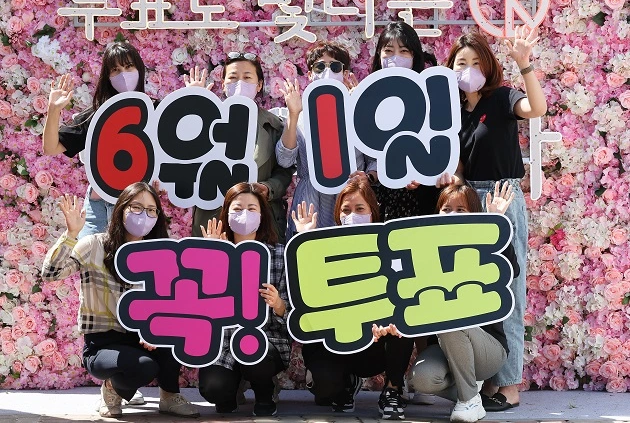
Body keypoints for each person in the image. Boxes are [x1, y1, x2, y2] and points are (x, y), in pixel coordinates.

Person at [444, 28, 547, 410]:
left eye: (476, 62)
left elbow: (536, 108)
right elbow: (458, 165)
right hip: (469, 201)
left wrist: (525, 64)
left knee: (509, 290)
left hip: (502, 196)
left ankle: (509, 386)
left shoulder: (503, 98)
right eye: (461, 63)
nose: (468, 69)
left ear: (488, 67)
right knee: (477, 292)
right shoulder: (452, 112)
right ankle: (489, 380)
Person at [42, 182, 199, 418]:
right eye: (136, 207)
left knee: (177, 332)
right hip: (103, 343)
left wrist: (155, 329)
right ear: (121, 209)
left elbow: (172, 302)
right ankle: (111, 389)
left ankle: (169, 395)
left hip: (143, 339)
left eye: (151, 210)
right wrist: (71, 235)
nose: (144, 215)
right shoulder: (94, 245)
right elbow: (50, 274)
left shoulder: (160, 254)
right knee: (144, 367)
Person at [293, 179, 413, 420]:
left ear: (372, 212)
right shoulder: (323, 246)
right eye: (346, 210)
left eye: (360, 209)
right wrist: (305, 242)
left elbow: (402, 291)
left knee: (405, 318)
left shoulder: (389, 247)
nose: (352, 215)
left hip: (376, 343)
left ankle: (393, 389)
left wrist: (385, 324)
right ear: (337, 214)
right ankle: (345, 385)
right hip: (336, 342)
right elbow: (306, 294)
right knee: (325, 389)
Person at [409, 182, 518, 423]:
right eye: (446, 209)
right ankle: (471, 393)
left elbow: (512, 270)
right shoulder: (426, 251)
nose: (452, 215)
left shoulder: (484, 242)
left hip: (487, 348)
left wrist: (495, 222)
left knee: (451, 319)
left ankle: (468, 401)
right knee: (422, 379)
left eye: (461, 210)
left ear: (473, 214)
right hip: (445, 347)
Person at [197, 182, 291, 417]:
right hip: (224, 344)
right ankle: (232, 389)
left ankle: (264, 391)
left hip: (267, 340)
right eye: (238, 209)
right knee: (214, 388)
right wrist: (212, 259)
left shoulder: (279, 254)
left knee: (254, 356)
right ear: (226, 214)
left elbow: (292, 313)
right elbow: (201, 306)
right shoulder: (215, 252)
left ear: (262, 215)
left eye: (252, 209)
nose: (244, 214)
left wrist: (278, 304)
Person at [42, 41, 148, 241]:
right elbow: (51, 147)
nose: (123, 75)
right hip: (99, 207)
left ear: (140, 70)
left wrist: (194, 97)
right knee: (88, 257)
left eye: (129, 67)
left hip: (139, 207)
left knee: (131, 259)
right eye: (115, 70)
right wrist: (53, 110)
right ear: (107, 77)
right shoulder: (97, 115)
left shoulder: (155, 110)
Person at [187, 54, 294, 243]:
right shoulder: (207, 119)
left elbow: (284, 170)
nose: (240, 83)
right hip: (214, 219)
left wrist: (268, 188)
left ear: (259, 85)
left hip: (260, 219)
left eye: (247, 77)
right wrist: (196, 106)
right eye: (233, 77)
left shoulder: (274, 125)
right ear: (223, 84)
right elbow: (187, 159)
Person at [275, 41, 376, 240]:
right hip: (310, 201)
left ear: (345, 73)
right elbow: (285, 160)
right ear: (309, 74)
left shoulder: (357, 112)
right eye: (320, 66)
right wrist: (293, 115)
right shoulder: (299, 114)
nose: (327, 72)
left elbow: (375, 158)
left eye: (335, 66)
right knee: (308, 252)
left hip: (349, 199)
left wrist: (369, 177)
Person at [369, 20, 440, 221]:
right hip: (382, 193)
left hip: (422, 193)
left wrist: (422, 173)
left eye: (403, 51)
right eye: (388, 51)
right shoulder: (369, 97)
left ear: (414, 56)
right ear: (379, 55)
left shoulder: (429, 94)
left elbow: (438, 142)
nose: (395, 57)